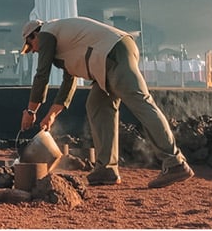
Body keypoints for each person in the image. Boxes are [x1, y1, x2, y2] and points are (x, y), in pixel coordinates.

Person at [19, 16, 194, 188]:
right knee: (97, 105)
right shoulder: (63, 44)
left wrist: (31, 111)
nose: (33, 51)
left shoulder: (47, 33)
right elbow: (68, 82)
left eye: (30, 45)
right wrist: (51, 116)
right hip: (106, 62)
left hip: (115, 53)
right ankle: (106, 169)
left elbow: (42, 75)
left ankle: (175, 163)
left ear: (35, 34)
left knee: (141, 103)